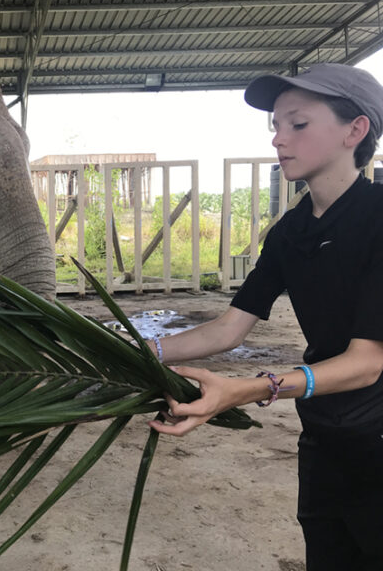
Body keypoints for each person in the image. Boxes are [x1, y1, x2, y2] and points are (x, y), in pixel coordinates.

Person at [146, 63, 383, 570]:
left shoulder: (379, 217)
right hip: (325, 434)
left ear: (354, 130)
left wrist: (253, 388)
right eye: (275, 126)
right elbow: (232, 326)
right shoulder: (290, 232)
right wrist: (145, 351)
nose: (280, 139)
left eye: (297, 124)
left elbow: (366, 363)